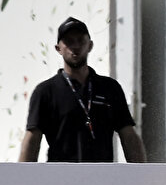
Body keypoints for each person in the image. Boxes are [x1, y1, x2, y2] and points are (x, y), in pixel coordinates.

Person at [19, 17, 147, 162]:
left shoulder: (110, 88)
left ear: (90, 45)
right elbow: (32, 140)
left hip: (102, 177)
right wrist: (22, 181)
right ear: (58, 48)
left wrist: (142, 177)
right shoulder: (46, 91)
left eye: (81, 40)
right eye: (68, 41)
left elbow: (128, 135)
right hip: (60, 179)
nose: (75, 46)